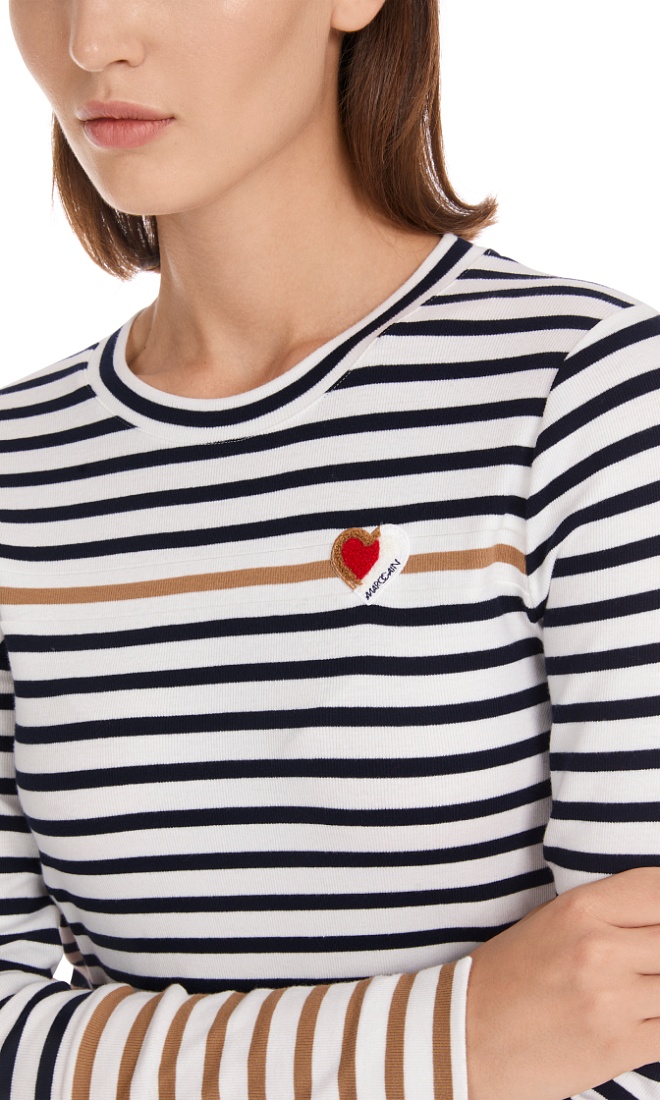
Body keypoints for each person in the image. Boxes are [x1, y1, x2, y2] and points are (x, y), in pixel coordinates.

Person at [1, 1, 659, 1098]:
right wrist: (464, 1038)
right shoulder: (16, 471)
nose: (91, 38)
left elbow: (638, 1031)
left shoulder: (588, 400)